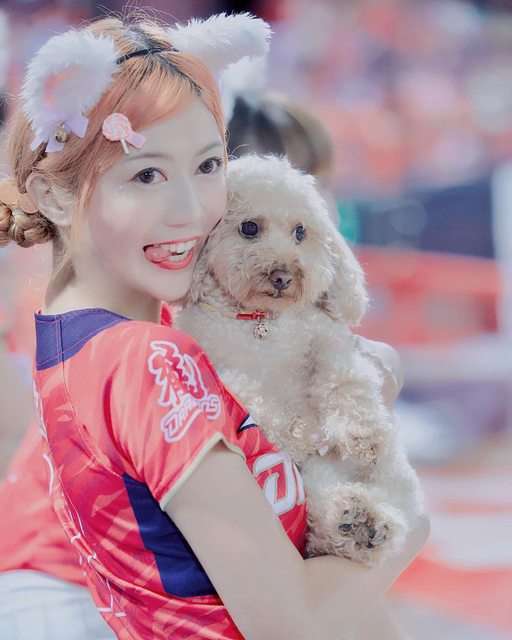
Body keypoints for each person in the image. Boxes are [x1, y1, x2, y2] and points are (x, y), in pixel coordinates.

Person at [0, 12, 428, 640]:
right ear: (56, 196)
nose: (191, 210)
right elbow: (289, 622)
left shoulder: (92, 340)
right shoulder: (148, 357)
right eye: (146, 174)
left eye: (208, 167)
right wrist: (410, 524)